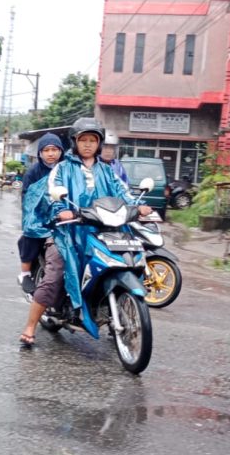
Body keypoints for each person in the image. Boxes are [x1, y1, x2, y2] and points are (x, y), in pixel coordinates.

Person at [47, 118, 152, 334]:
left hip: (106, 227)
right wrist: (61, 209)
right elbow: (53, 192)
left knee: (126, 257)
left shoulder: (106, 170)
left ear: (99, 143)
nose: (87, 144)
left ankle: (111, 305)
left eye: (92, 140)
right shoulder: (62, 168)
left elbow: (123, 192)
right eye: (82, 140)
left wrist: (139, 205)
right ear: (74, 142)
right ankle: (50, 313)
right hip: (73, 228)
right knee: (61, 270)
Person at [15, 133, 64, 295]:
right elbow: (28, 197)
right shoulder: (33, 172)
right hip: (38, 214)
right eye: (46, 150)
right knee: (32, 234)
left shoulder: (66, 169)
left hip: (63, 212)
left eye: (55, 149)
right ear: (40, 153)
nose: (51, 153)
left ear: (61, 151)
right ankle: (25, 273)